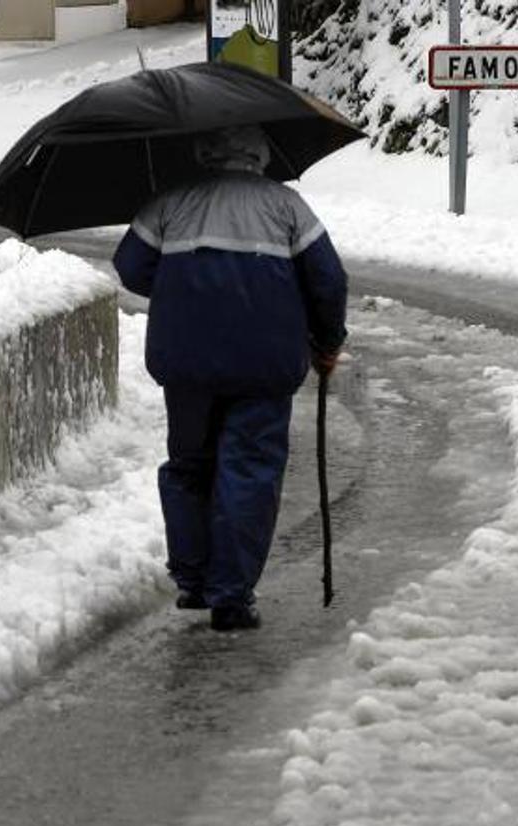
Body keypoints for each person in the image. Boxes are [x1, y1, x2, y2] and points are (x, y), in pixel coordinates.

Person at [113, 126, 347, 631]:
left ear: (202, 149)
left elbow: (130, 268)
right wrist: (327, 342)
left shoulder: (171, 201)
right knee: (251, 469)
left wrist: (183, 287)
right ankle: (231, 596)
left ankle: (193, 580)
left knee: (190, 465)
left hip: (187, 364)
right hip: (263, 366)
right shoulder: (287, 207)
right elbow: (328, 280)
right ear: (261, 151)